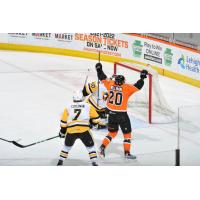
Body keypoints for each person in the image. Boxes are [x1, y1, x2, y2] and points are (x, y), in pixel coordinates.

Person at [95, 62, 148, 159]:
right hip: (122, 115)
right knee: (127, 134)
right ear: (123, 82)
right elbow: (138, 85)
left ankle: (102, 148)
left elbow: (102, 77)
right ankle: (127, 153)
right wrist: (142, 77)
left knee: (112, 133)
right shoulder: (127, 87)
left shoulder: (110, 84)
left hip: (111, 113)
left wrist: (99, 69)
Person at [57, 90, 101, 166]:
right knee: (90, 147)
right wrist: (92, 124)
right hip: (84, 130)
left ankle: (60, 161)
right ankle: (94, 162)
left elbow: (63, 122)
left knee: (66, 147)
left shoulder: (68, 107)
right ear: (82, 97)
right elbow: (96, 119)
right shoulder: (88, 106)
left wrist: (63, 131)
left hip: (71, 131)